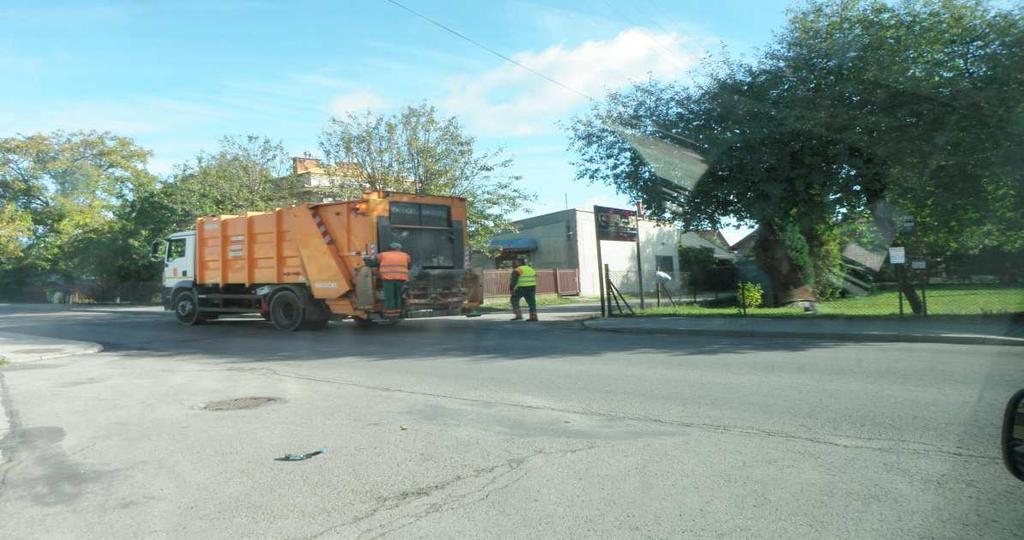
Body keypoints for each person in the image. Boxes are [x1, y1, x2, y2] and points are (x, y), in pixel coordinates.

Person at [375, 242, 411, 317]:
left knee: (390, 296)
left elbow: (374, 263)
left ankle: (390, 314)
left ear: (389, 248)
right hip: (401, 278)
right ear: (399, 248)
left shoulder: (382, 255)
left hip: (388, 279)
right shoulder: (405, 255)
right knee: (398, 295)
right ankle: (398, 313)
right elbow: (409, 264)